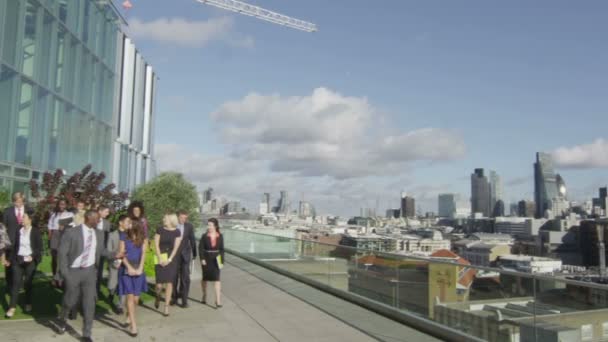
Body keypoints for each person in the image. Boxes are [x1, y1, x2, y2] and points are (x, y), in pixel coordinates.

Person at [57, 210, 122, 341]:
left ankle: (87, 333)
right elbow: (62, 254)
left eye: (99, 219)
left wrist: (114, 254)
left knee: (89, 303)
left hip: (90, 272)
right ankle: (62, 319)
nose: (99, 221)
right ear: (88, 218)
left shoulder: (99, 234)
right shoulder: (71, 233)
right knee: (69, 301)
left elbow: (101, 251)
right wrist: (65, 273)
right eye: (96, 219)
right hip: (73, 272)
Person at [5, 211, 43, 318]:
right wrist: (10, 259)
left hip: (30, 261)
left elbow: (39, 248)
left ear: (30, 219)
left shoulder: (35, 231)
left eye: (24, 217)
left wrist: (32, 256)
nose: (22, 218)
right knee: (16, 283)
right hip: (18, 260)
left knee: (27, 283)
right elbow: (15, 246)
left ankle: (27, 302)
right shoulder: (19, 230)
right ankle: (12, 307)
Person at [118, 220, 147, 337]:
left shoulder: (143, 238)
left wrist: (140, 268)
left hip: (138, 268)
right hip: (126, 268)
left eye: (129, 223)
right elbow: (121, 254)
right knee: (130, 296)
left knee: (136, 299)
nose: (127, 225)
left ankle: (129, 315)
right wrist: (129, 267)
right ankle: (133, 326)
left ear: (135, 226)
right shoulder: (123, 236)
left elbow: (144, 254)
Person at [154, 213, 182, 316]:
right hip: (159, 257)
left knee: (169, 282)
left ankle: (166, 307)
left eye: (165, 218)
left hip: (171, 259)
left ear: (170, 220)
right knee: (159, 285)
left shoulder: (177, 232)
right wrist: (160, 258)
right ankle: (157, 296)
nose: (163, 219)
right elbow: (156, 244)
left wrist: (169, 259)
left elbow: (176, 248)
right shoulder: (159, 229)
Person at [2, 192, 28, 295]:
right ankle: (9, 285)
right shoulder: (7, 212)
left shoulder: (28, 211)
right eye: (17, 201)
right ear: (13, 201)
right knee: (9, 265)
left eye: (21, 201)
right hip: (9, 244)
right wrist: (3, 245)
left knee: (21, 264)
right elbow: (3, 230)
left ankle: (20, 285)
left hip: (23, 243)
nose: (19, 203)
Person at [172, 210, 197, 308]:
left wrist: (194, 254)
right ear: (178, 217)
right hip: (174, 255)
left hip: (185, 256)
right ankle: (174, 298)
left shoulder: (189, 226)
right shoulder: (173, 225)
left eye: (185, 218)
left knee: (185, 278)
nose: (183, 219)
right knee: (174, 278)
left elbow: (192, 239)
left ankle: (184, 300)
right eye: (182, 217)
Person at [199, 218, 224, 308]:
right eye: (208, 225)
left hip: (216, 259)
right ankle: (204, 295)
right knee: (205, 279)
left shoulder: (220, 236)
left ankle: (218, 300)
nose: (208, 226)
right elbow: (201, 248)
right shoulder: (204, 236)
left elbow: (221, 250)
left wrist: (221, 262)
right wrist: (202, 259)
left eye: (210, 225)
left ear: (215, 226)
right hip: (206, 259)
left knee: (217, 279)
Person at [48, 199, 74, 286]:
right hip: (55, 235)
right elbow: (50, 226)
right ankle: (54, 276)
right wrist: (50, 237)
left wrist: (65, 226)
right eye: (60, 204)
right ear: (58, 205)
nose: (61, 206)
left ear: (66, 205)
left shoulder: (70, 214)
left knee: (63, 258)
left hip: (65, 235)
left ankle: (61, 278)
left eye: (63, 204)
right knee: (54, 258)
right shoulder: (54, 215)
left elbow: (73, 226)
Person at [95, 205, 111, 294]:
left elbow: (107, 238)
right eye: (106, 211)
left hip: (101, 251)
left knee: (99, 273)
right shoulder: (92, 221)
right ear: (100, 211)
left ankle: (96, 292)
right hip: (92, 251)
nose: (107, 214)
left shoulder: (107, 223)